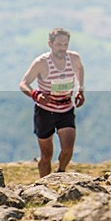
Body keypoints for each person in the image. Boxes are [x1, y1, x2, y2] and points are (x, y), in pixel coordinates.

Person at [19, 28, 85, 177]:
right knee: (46, 155)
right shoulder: (41, 63)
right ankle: (44, 183)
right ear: (50, 44)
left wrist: (80, 89)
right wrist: (36, 95)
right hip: (44, 111)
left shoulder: (74, 58)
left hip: (66, 109)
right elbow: (23, 84)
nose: (62, 48)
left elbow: (80, 68)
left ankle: (60, 173)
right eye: (59, 44)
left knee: (68, 148)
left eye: (65, 45)